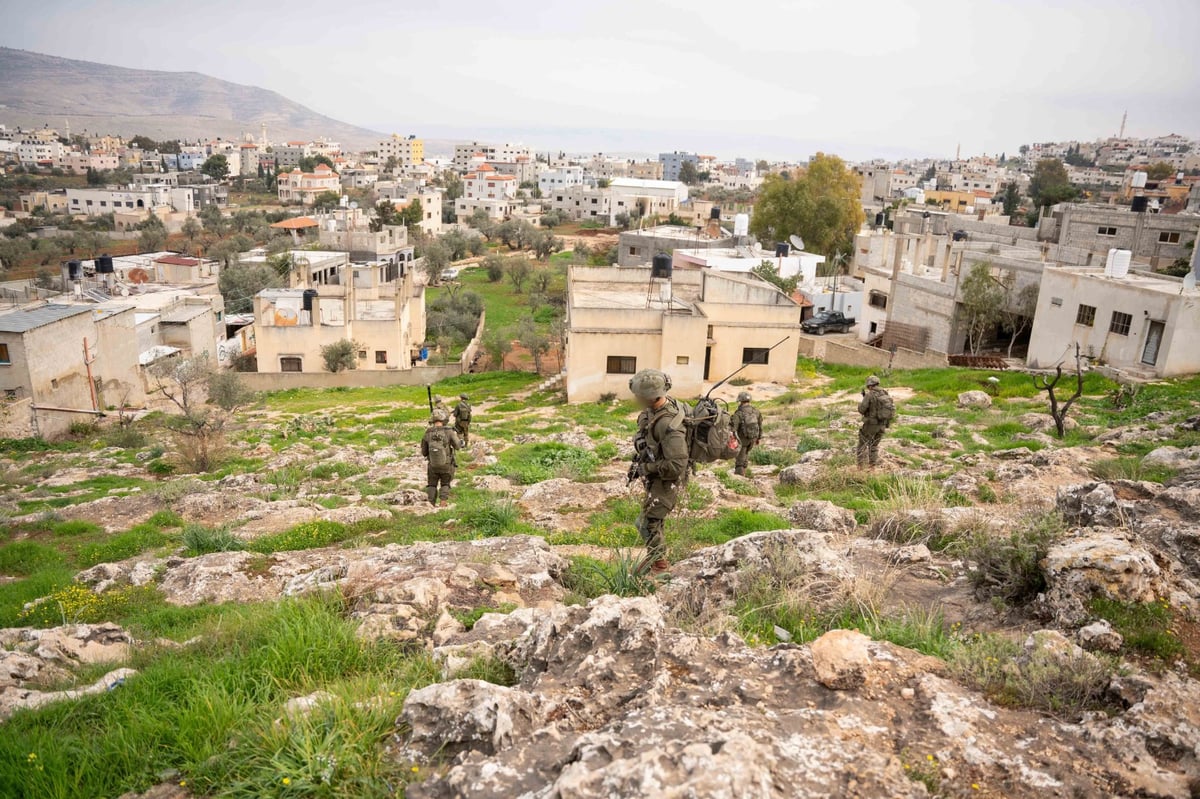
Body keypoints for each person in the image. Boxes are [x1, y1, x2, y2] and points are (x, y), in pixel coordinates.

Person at [627, 369, 690, 575]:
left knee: (647, 521)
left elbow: (676, 466)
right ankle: (656, 556)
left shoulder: (668, 424)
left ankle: (660, 567)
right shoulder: (652, 413)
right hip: (656, 476)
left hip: (667, 479)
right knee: (653, 520)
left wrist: (646, 468)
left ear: (647, 397)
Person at [421, 408, 461, 505]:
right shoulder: (449, 431)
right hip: (446, 464)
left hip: (433, 465)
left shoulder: (427, 433)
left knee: (432, 484)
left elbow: (424, 452)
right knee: (445, 483)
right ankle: (443, 501)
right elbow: (458, 446)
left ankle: (431, 503)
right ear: (443, 419)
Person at [857, 375, 893, 469]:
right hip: (883, 424)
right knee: (874, 446)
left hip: (871, 425)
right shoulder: (885, 393)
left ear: (869, 385)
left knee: (862, 444)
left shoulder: (870, 395)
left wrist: (861, 403)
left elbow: (862, 410)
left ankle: (860, 468)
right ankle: (872, 467)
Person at [731, 391, 763, 476]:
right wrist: (758, 438)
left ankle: (739, 478)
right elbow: (760, 426)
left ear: (740, 401)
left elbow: (733, 429)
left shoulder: (738, 413)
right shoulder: (756, 411)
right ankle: (744, 474)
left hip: (742, 440)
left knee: (740, 461)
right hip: (753, 439)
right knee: (745, 456)